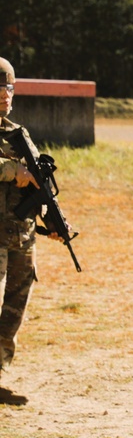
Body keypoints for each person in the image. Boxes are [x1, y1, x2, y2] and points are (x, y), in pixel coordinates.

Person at [0, 57, 62, 395]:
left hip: (21, 236)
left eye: (8, 86)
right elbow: (17, 174)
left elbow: (40, 185)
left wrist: (52, 222)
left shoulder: (18, 135)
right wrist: (13, 172)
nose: (3, 94)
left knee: (14, 308)